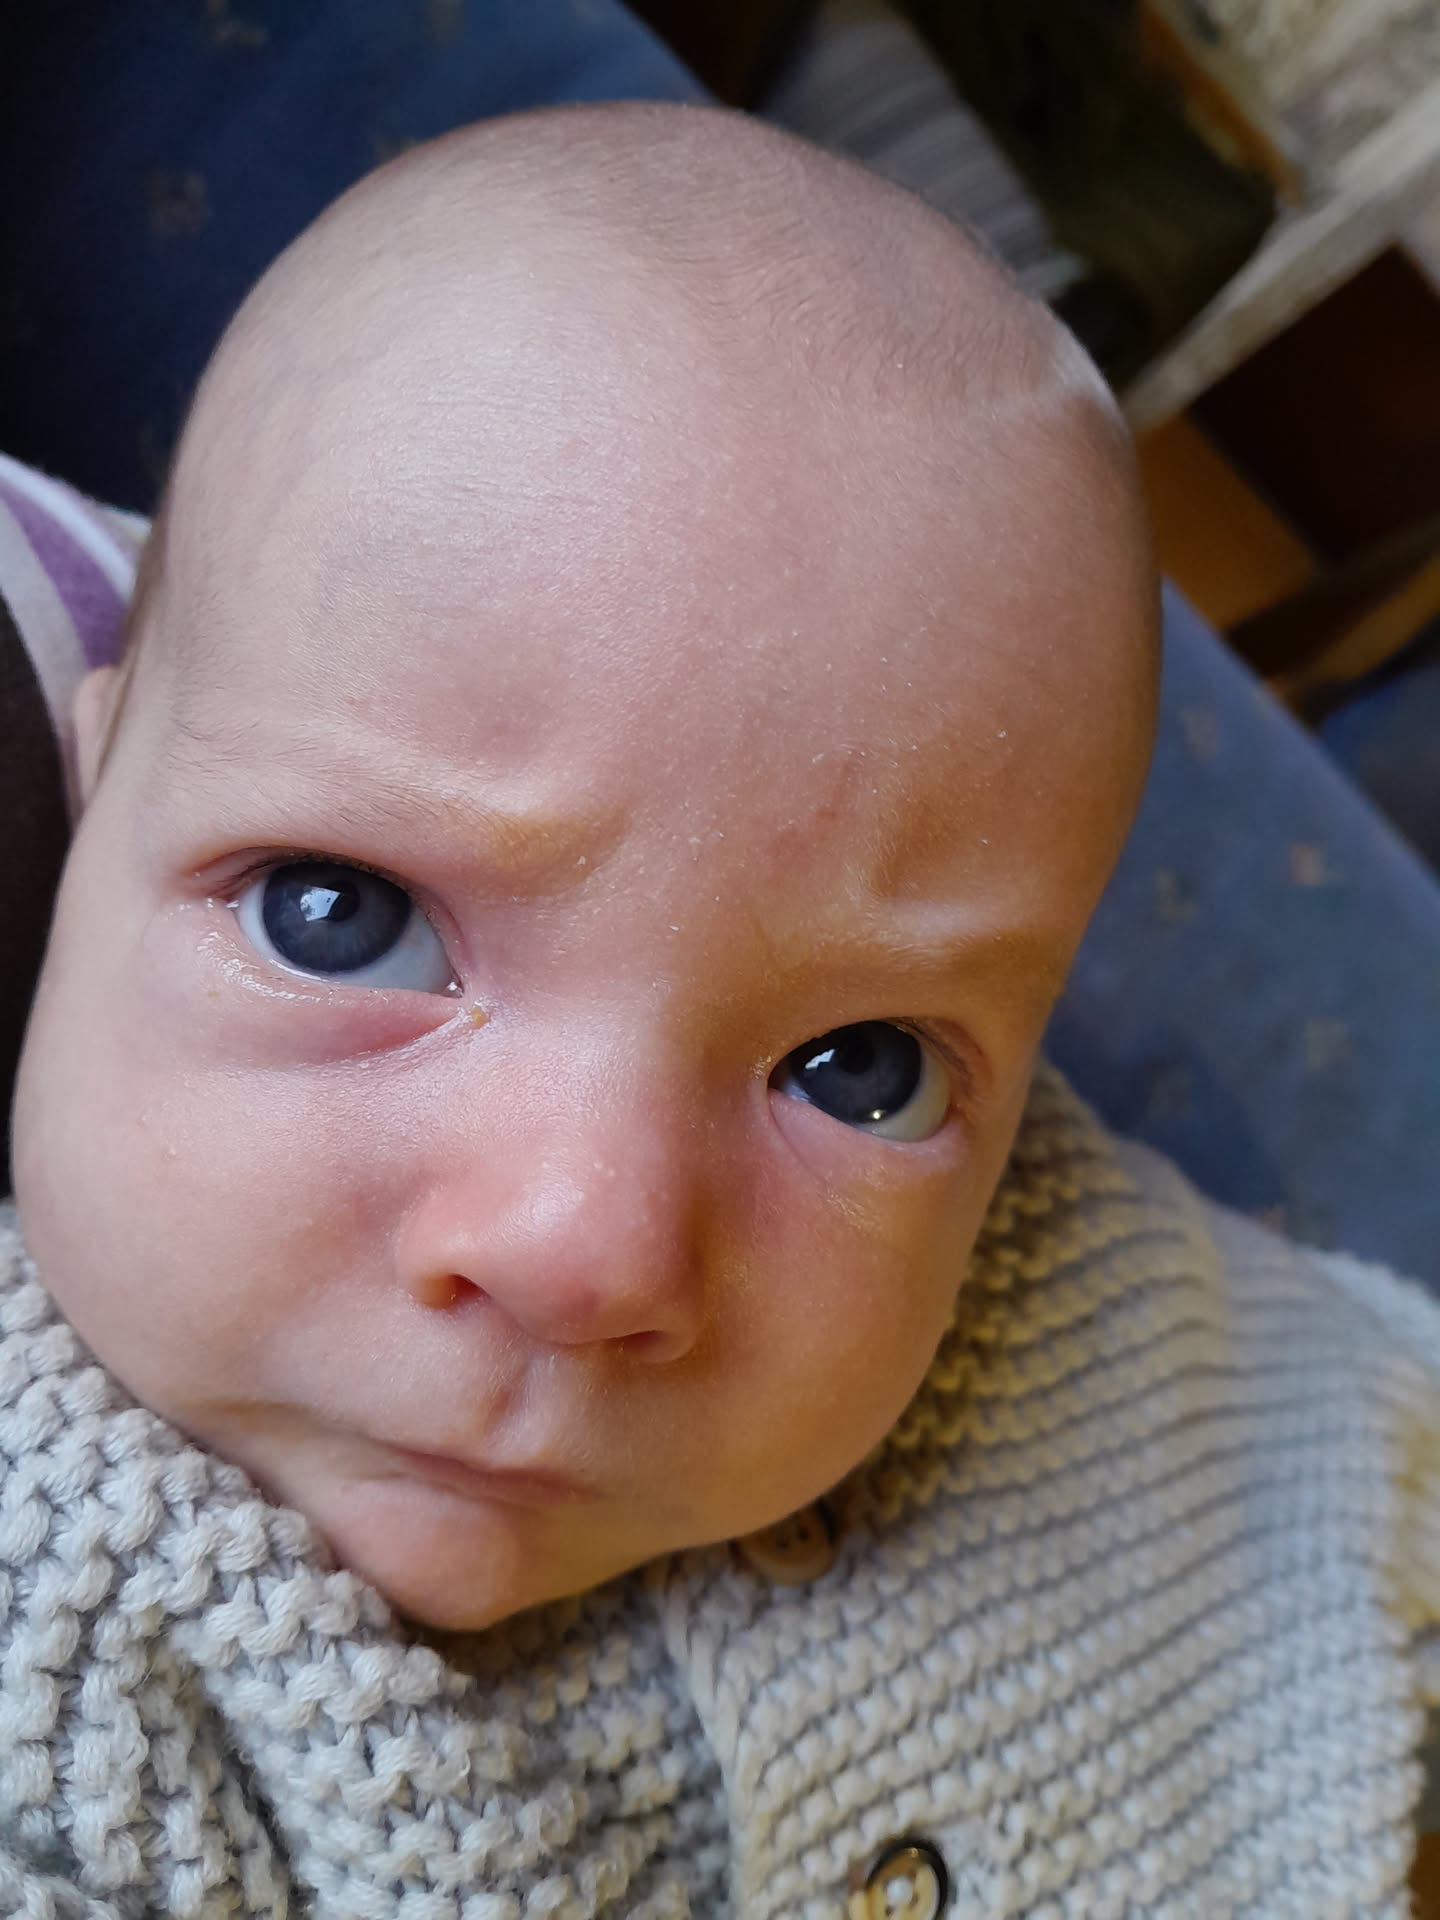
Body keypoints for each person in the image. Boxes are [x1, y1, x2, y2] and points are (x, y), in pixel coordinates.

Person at [2, 104, 1438, 1918]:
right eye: (342, 919)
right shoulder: (54, 1636)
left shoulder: (1091, 1295)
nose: (587, 1248)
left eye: (863, 1073)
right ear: (93, 780)